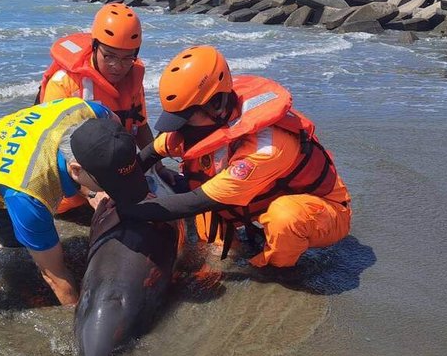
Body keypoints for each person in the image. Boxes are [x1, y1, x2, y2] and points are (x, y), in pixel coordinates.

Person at [116, 45, 352, 269]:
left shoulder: (267, 147)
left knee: (284, 217)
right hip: (256, 198)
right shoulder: (198, 123)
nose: (180, 128)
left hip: (321, 210)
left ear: (217, 104)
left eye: (186, 118)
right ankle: (231, 247)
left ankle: (278, 271)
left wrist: (130, 210)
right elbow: (149, 154)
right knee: (211, 245)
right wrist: (117, 186)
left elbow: (196, 201)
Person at [0, 97, 148, 305]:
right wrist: (74, 312)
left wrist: (95, 189)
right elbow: (55, 276)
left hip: (3, 167)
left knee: (11, 247)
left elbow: (116, 125)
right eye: (111, 183)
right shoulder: (31, 193)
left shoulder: (92, 111)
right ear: (76, 170)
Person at [36, 2, 155, 213]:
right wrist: (91, 192)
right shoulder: (63, 83)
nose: (117, 66)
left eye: (128, 58)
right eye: (109, 55)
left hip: (112, 177)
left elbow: (140, 126)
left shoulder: (133, 80)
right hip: (73, 186)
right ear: (94, 46)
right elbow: (52, 151)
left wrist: (158, 167)